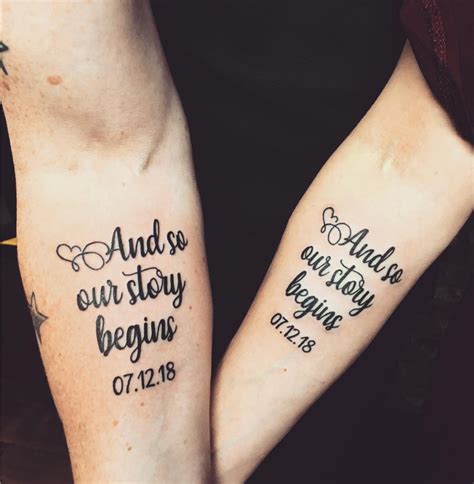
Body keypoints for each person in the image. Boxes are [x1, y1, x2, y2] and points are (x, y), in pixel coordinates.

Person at [1, 1, 472, 482]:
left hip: (366, 200)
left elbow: (416, 154)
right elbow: (95, 155)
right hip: (136, 171)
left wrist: (199, 466)